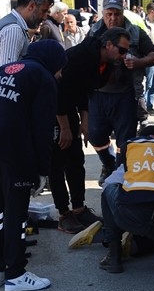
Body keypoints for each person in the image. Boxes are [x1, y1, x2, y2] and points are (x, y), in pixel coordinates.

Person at [0, 39, 68, 291]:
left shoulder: (5, 70)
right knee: (16, 211)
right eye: (61, 68)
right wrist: (42, 170)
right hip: (11, 148)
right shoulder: (43, 77)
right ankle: (15, 274)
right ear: (53, 61)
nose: (60, 74)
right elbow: (43, 129)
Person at [52, 32, 129, 234]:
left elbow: (85, 91)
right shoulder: (80, 57)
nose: (124, 55)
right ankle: (64, 214)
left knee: (76, 159)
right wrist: (65, 128)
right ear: (108, 45)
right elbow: (61, 93)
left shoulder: (105, 62)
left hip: (71, 105)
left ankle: (79, 209)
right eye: (122, 50)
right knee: (58, 161)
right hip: (54, 108)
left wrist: (84, 121)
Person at [84, 0, 154, 185]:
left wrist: (138, 62)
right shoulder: (94, 31)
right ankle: (108, 163)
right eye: (108, 14)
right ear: (103, 14)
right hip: (98, 94)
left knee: (125, 141)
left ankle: (119, 175)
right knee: (95, 135)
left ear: (123, 13)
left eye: (116, 14)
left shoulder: (135, 32)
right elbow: (82, 56)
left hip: (126, 94)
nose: (112, 18)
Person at [97, 125, 154, 275]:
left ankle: (113, 256)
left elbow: (115, 180)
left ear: (141, 137)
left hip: (131, 216)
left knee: (108, 189)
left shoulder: (133, 146)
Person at [0, 0, 53, 99]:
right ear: (31, 6)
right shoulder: (14, 29)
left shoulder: (9, 24)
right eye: (43, 11)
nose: (44, 17)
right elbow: (8, 76)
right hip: (0, 101)